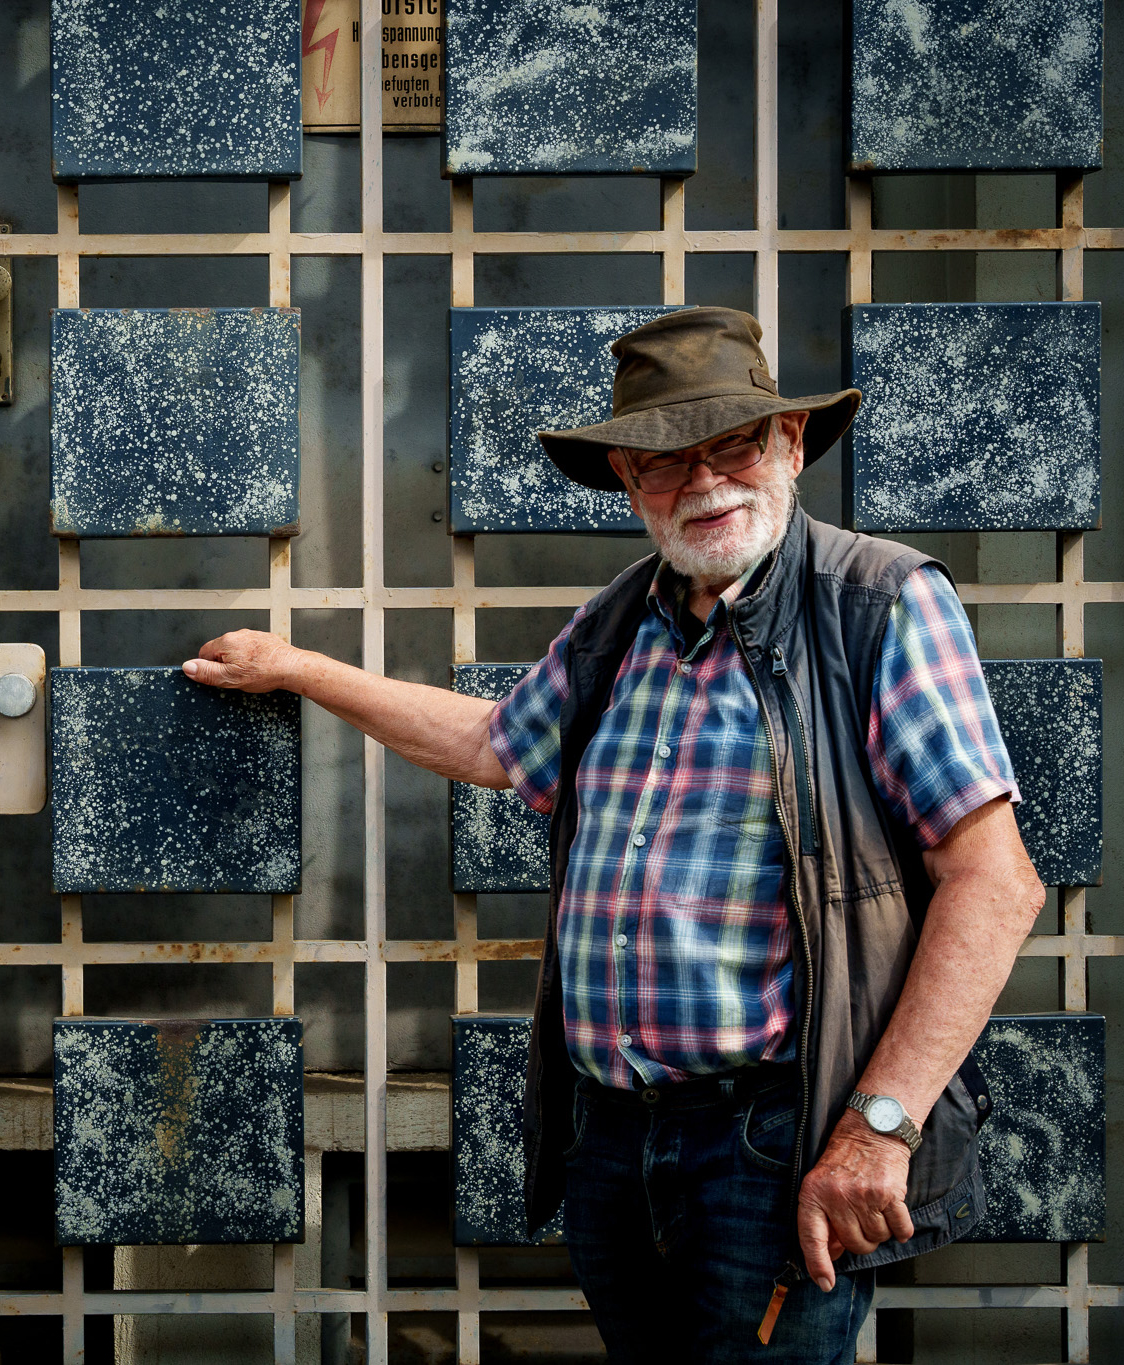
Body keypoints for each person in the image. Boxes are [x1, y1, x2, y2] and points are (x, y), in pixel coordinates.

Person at [183, 307, 1044, 1364]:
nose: (701, 483)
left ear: (787, 445)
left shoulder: (876, 604)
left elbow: (992, 884)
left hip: (769, 1142)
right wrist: (298, 670)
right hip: (612, 1137)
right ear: (628, 486)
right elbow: (498, 743)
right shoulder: (621, 617)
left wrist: (877, 1129)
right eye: (660, 462)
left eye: (729, 445)